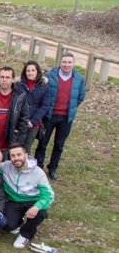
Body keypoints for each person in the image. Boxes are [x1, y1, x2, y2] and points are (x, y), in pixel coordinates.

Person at [0, 143, 53, 249]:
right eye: (13, 156)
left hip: (32, 201)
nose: (16, 158)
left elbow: (49, 195)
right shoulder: (6, 166)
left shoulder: (38, 173)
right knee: (7, 225)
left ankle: (25, 234)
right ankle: (17, 223)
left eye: (19, 154)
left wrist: (37, 206)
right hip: (13, 201)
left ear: (26, 155)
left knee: (40, 212)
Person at [34, 52, 85, 180]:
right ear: (60, 63)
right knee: (42, 142)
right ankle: (38, 167)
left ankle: (53, 168)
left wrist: (71, 108)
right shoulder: (50, 76)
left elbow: (80, 97)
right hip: (49, 116)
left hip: (66, 118)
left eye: (69, 62)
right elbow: (42, 91)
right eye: (64, 62)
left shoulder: (79, 78)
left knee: (59, 144)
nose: (66, 65)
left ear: (73, 64)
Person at [16, 61, 50, 153]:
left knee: (26, 149)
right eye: (28, 71)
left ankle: (24, 166)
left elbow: (45, 106)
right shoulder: (18, 85)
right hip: (18, 121)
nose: (30, 73)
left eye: (32, 70)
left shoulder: (44, 86)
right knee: (15, 147)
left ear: (37, 71)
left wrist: (33, 121)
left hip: (33, 123)